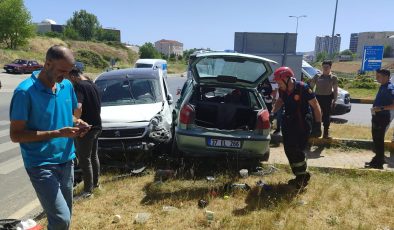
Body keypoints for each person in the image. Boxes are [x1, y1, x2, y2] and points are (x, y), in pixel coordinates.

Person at [9, 45, 90, 230]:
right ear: (47, 64)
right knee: (61, 219)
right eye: (62, 71)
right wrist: (56, 133)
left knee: (65, 218)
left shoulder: (66, 85)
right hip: (41, 164)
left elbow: (67, 115)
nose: (66, 76)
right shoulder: (25, 92)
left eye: (69, 71)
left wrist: (78, 123)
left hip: (66, 160)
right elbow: (16, 135)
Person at [271, 66, 322, 188]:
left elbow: (316, 106)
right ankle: (299, 175)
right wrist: (273, 112)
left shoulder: (303, 88)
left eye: (279, 81)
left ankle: (303, 176)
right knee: (288, 149)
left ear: (287, 78)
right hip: (288, 122)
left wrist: (318, 125)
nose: (278, 85)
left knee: (296, 149)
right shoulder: (283, 90)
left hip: (302, 123)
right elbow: (280, 100)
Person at [66, 67, 102, 197]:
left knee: (84, 158)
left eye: (68, 79)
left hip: (86, 128)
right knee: (93, 156)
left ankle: (88, 191)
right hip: (97, 126)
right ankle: (96, 184)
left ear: (73, 77)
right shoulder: (93, 85)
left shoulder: (79, 86)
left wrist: (76, 120)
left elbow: (78, 107)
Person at [365, 69, 394, 169]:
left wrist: (380, 108)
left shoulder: (390, 88)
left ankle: (378, 163)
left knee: (379, 140)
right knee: (376, 139)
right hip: (377, 116)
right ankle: (377, 159)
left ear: (386, 77)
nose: (377, 78)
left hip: (383, 117)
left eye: (379, 76)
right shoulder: (383, 86)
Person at [309, 60, 338, 138]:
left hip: (327, 98)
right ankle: (316, 131)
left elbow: (335, 90)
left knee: (326, 116)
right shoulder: (317, 76)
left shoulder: (333, 77)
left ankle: (326, 133)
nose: (325, 68)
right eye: (324, 67)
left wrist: (335, 100)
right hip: (317, 98)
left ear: (330, 67)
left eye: (327, 67)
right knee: (315, 115)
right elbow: (311, 87)